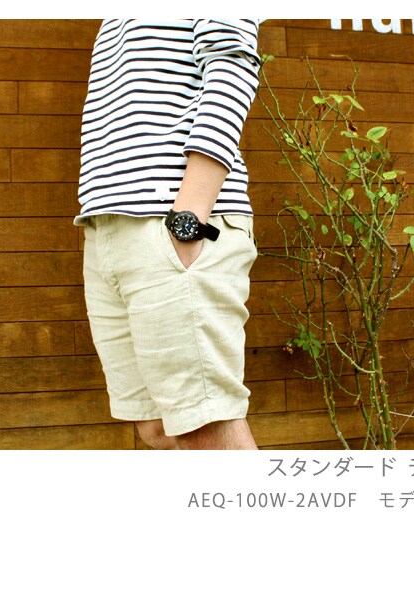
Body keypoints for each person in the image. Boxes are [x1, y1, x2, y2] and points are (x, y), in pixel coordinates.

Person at [75, 19, 262, 449]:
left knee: (204, 427)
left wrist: (189, 217)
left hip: (175, 224)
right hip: (108, 225)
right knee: (157, 426)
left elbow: (232, 65)